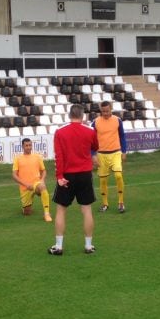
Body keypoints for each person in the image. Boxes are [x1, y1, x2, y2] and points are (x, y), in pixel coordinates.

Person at [48, 104, 99, 255]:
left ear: (69, 115)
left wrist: (59, 176)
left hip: (67, 175)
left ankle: (58, 246)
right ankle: (88, 246)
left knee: (61, 210)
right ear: (82, 116)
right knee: (87, 210)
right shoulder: (90, 131)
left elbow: (59, 156)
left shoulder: (60, 131)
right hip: (84, 174)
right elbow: (95, 146)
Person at [91, 100, 127, 213]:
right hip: (101, 154)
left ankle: (121, 203)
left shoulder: (117, 120)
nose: (105, 113)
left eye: (107, 111)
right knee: (103, 180)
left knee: (118, 176)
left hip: (116, 152)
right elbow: (91, 140)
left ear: (111, 109)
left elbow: (122, 136)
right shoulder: (95, 122)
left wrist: (124, 151)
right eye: (103, 112)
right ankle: (105, 203)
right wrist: (93, 155)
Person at [12, 137, 52, 221]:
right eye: (26, 145)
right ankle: (26, 207)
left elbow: (44, 171)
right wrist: (26, 184)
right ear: (22, 146)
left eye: (30, 145)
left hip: (36, 184)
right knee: (27, 213)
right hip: (25, 188)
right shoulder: (18, 158)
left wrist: (42, 180)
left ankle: (46, 214)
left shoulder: (37, 157)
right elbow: (14, 175)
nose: (28, 147)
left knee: (42, 187)